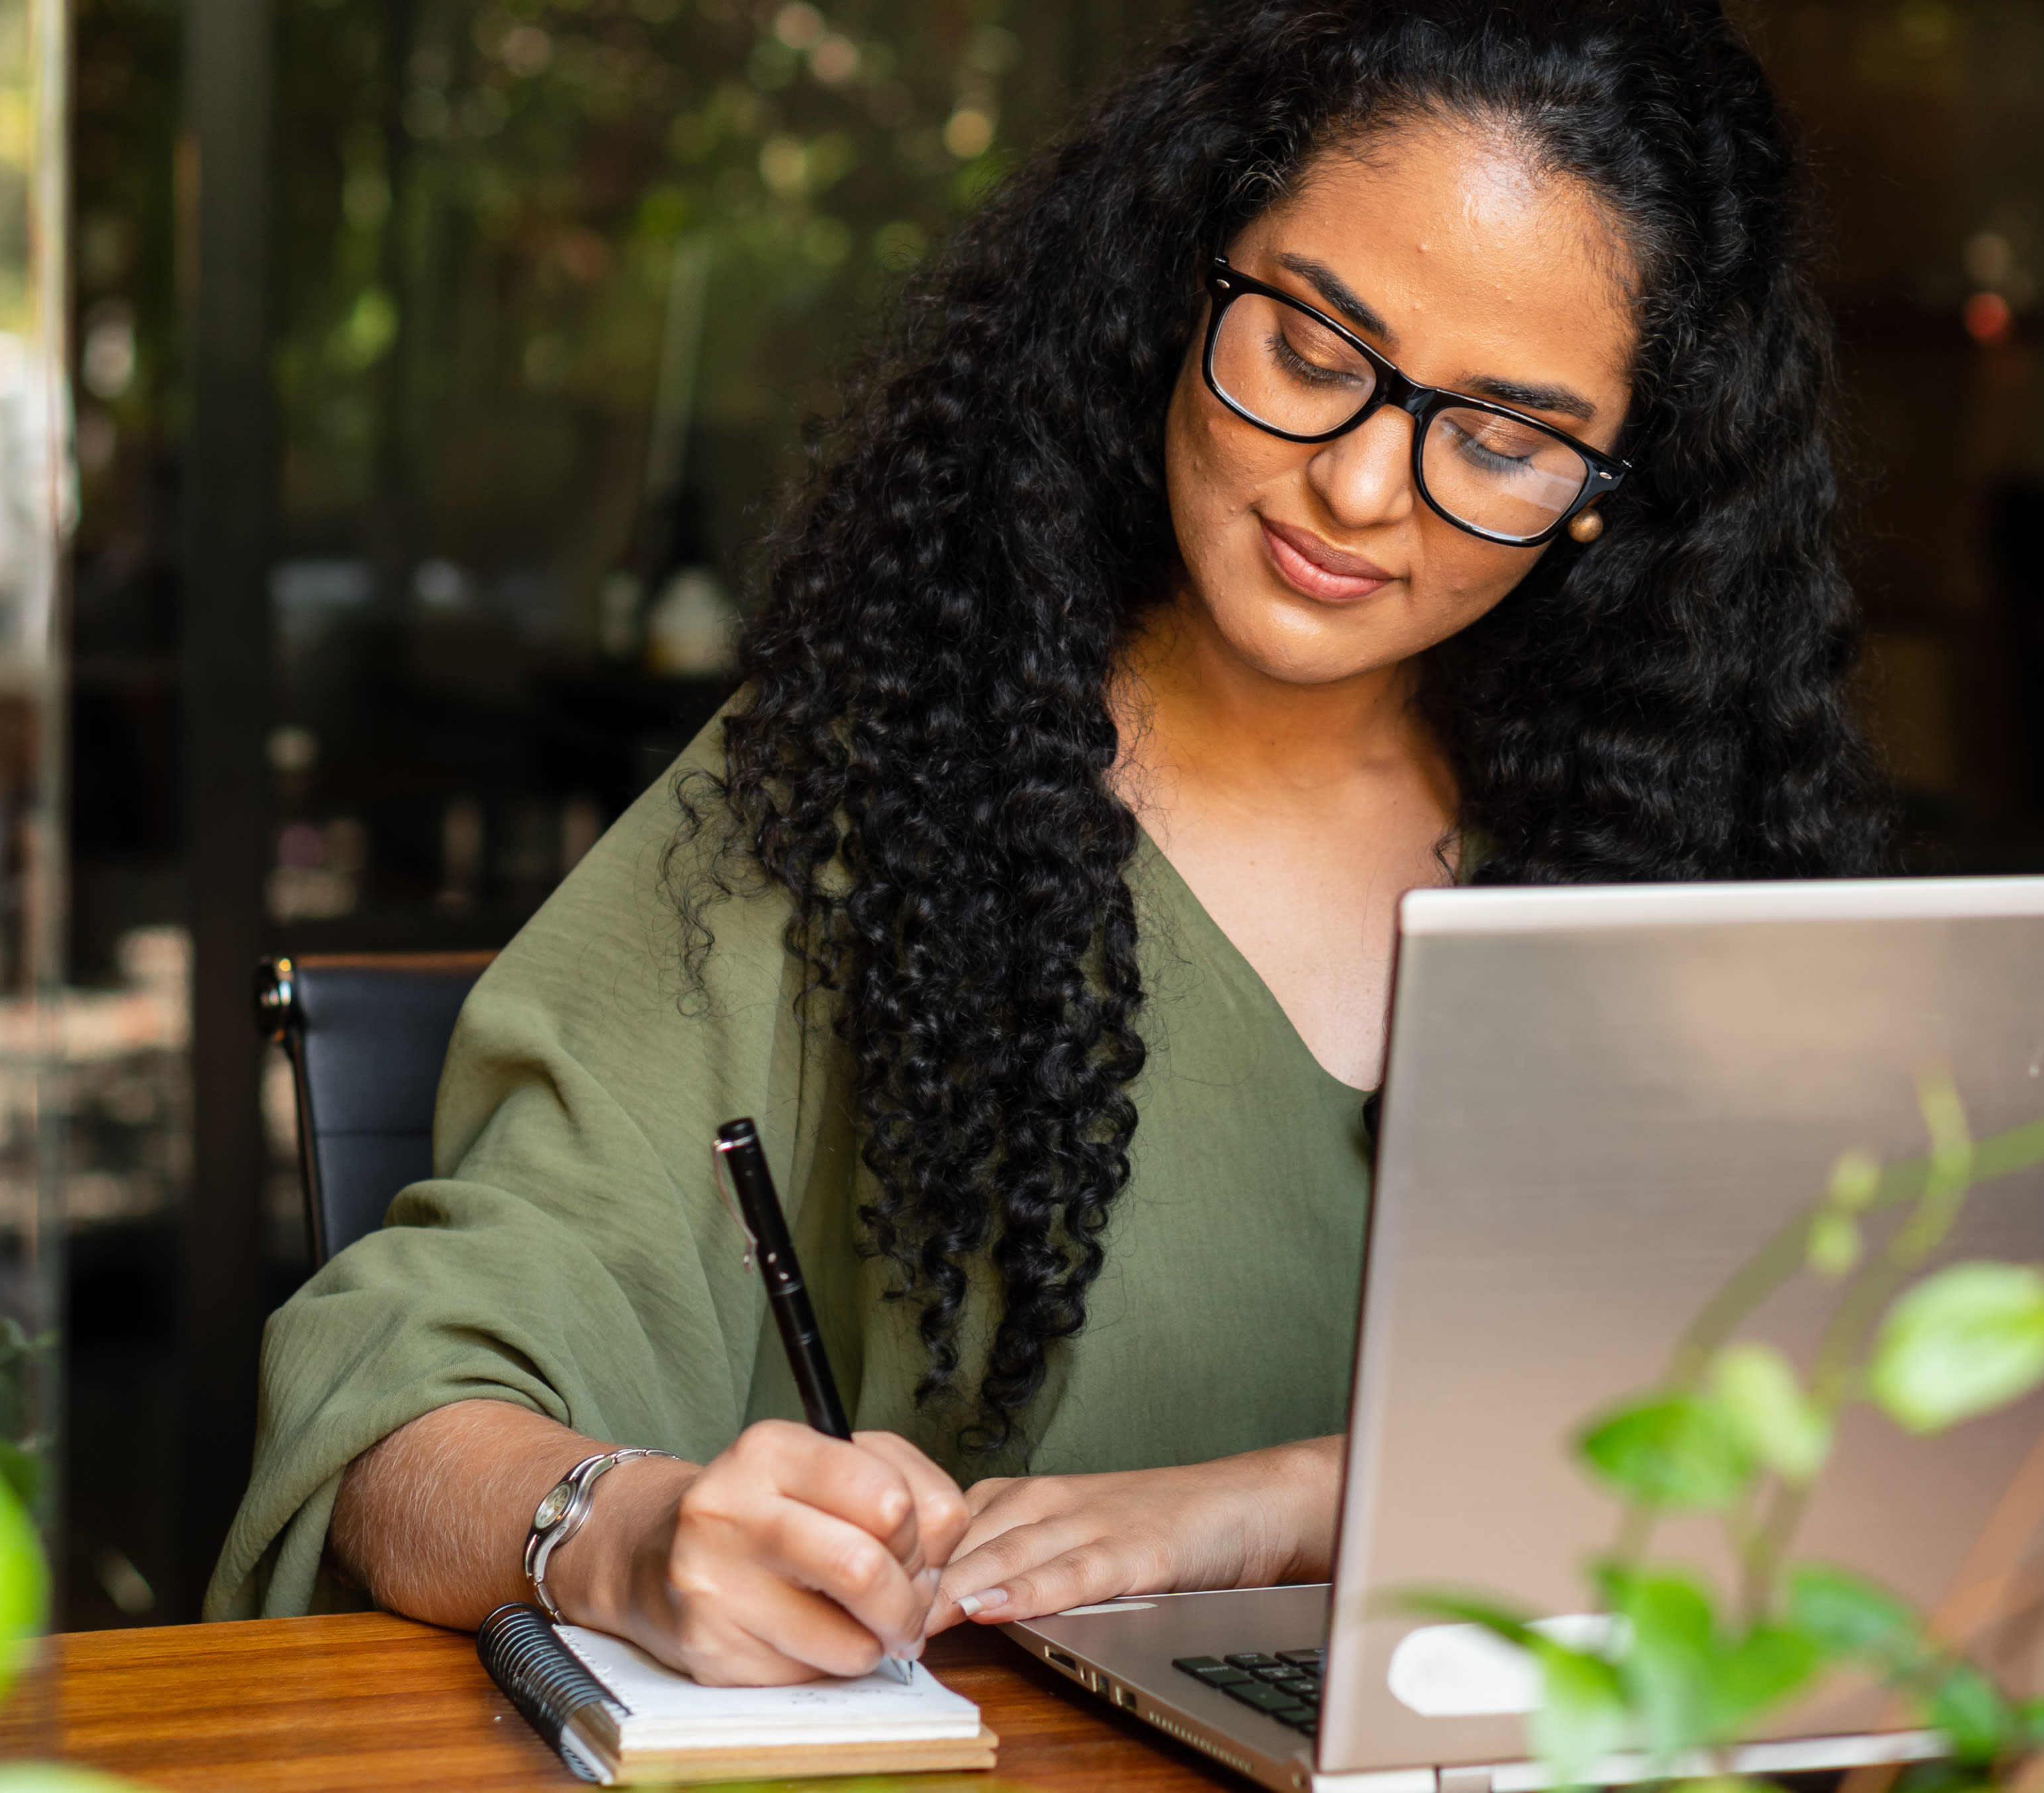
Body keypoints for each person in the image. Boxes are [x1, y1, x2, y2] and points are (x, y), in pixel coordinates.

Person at [208, 0, 1886, 1686]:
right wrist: (620, 1531)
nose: (1363, 487)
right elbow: (398, 1412)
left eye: (1502, 442)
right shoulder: (868, 795)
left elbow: (1878, 1465)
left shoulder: (1669, 862)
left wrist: (1302, 1501)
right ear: (1180, 282)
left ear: (1610, 493)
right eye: (1308, 350)